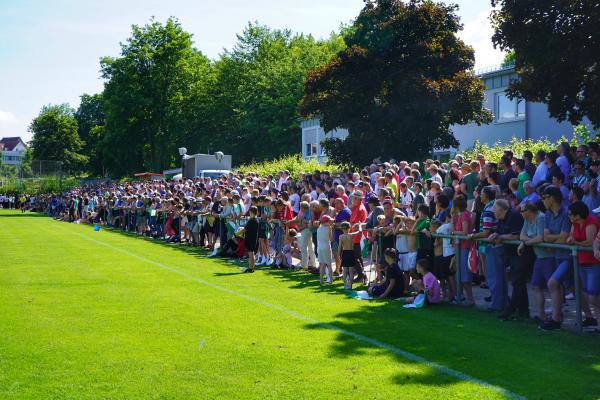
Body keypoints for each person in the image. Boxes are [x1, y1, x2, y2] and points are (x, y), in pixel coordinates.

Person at [540, 186, 571, 330]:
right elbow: (545, 236)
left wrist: (554, 239)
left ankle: (556, 319)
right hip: (556, 255)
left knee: (553, 283)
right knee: (557, 285)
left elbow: (564, 238)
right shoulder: (547, 214)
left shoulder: (566, 213)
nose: (542, 200)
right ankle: (556, 318)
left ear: (552, 198)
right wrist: (557, 237)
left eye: (544, 197)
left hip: (569, 256)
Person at [567, 201, 600, 331]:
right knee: (590, 295)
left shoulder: (591, 222)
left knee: (593, 297)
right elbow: (570, 236)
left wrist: (575, 242)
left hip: (593, 263)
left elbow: (590, 242)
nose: (569, 216)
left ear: (578, 215)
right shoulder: (574, 223)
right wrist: (571, 240)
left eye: (571, 214)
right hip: (581, 262)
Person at [518, 201, 552, 322]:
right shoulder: (527, 219)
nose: (520, 213)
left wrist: (524, 243)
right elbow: (521, 235)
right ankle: (542, 314)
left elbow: (540, 238)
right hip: (539, 256)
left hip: (548, 256)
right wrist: (524, 242)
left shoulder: (541, 217)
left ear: (529, 211)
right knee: (536, 286)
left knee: (552, 287)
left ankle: (556, 316)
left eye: (522, 211)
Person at [338, 221, 363, 290]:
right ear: (349, 228)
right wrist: (360, 225)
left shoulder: (341, 236)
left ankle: (345, 285)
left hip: (344, 253)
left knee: (345, 270)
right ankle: (350, 286)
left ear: (342, 229)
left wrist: (339, 255)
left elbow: (340, 247)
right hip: (351, 253)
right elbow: (360, 231)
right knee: (351, 270)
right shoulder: (351, 235)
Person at [317, 215, 334, 284]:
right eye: (329, 221)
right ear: (325, 222)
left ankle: (321, 280)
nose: (330, 222)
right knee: (329, 264)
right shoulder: (329, 228)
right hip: (326, 247)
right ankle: (331, 280)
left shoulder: (319, 228)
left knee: (322, 265)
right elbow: (331, 239)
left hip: (320, 248)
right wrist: (331, 229)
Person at [242, 206, 259, 273]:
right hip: (254, 238)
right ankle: (252, 267)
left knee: (251, 253)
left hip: (250, 238)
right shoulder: (256, 220)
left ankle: (250, 268)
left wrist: (236, 234)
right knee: (252, 253)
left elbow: (245, 229)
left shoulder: (252, 220)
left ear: (251, 212)